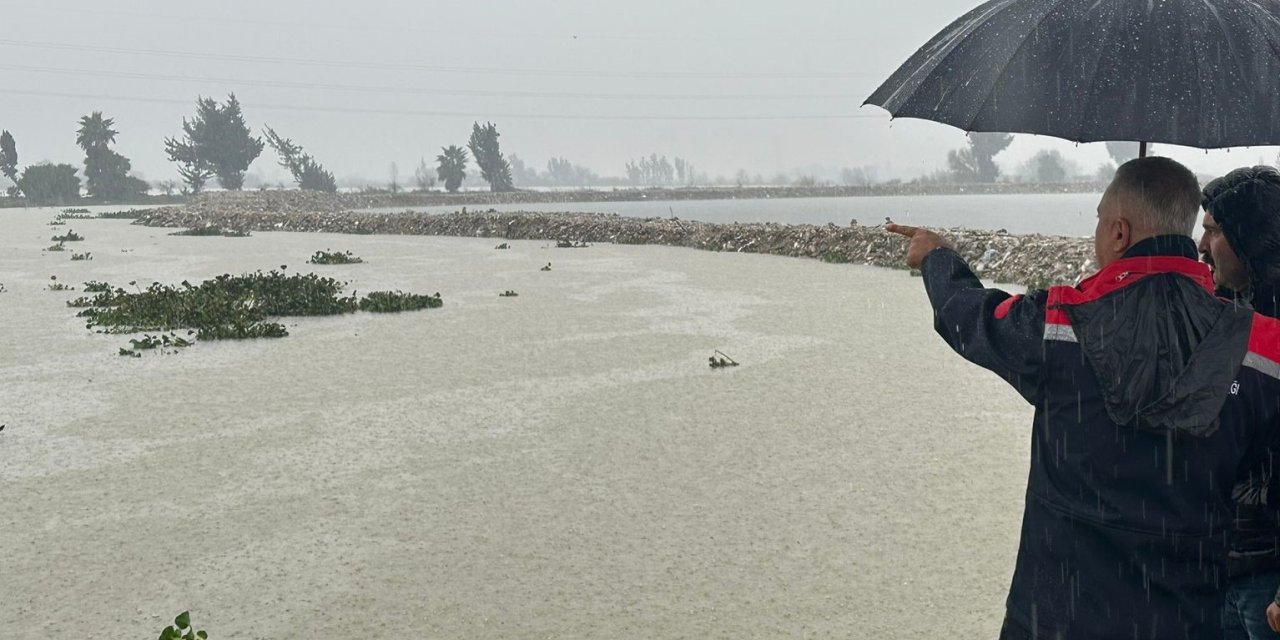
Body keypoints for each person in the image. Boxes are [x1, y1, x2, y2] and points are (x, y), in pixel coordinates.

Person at [886, 156, 1280, 640]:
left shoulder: (1058, 323)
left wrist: (937, 257)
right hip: (1185, 619)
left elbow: (969, 316)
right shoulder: (1262, 347)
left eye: (1098, 219)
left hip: (1053, 619)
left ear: (1118, 232)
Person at [1201, 166, 1280, 638]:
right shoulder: (1223, 314)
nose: (1201, 244)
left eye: (1213, 230)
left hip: (1267, 579)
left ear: (1249, 237)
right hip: (1217, 563)